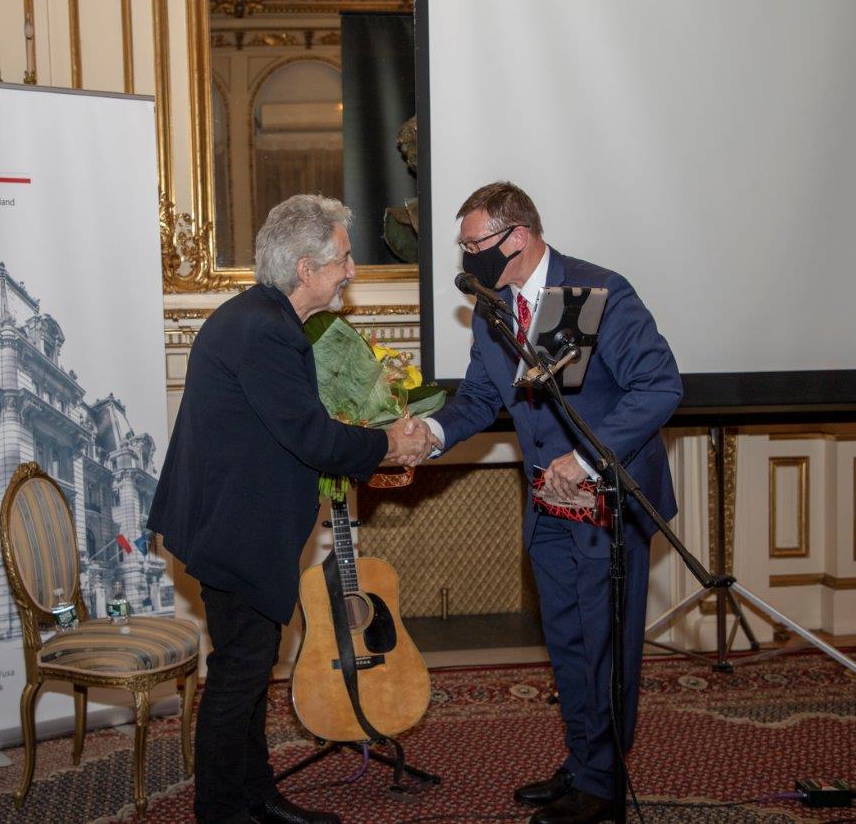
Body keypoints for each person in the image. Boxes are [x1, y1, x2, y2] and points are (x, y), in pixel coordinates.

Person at [148, 194, 432, 824]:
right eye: (343, 259)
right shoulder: (265, 331)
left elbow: (290, 427)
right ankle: (222, 812)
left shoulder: (261, 318)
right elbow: (311, 438)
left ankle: (257, 799)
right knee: (239, 676)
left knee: (249, 672)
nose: (351, 271)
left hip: (235, 524)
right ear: (306, 268)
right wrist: (389, 443)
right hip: (234, 533)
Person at [424, 182, 682, 824]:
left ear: (518, 236)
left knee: (605, 644)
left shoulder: (596, 293)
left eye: (473, 245)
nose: (467, 258)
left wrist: (588, 456)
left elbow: (659, 386)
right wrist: (426, 433)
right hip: (546, 504)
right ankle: (584, 761)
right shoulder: (492, 309)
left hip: (606, 501)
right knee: (566, 639)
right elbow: (480, 399)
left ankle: (604, 787)